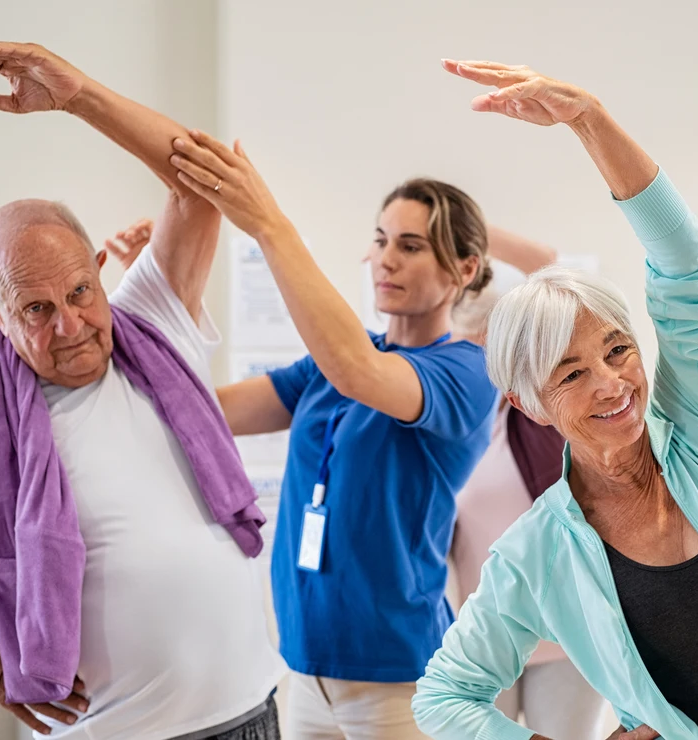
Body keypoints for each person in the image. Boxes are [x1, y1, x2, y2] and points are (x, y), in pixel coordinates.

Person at [0, 42, 284, 740]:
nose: (70, 325)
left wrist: (80, 98)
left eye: (79, 292)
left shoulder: (155, 324)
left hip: (253, 716)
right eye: (36, 309)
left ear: (100, 271)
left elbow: (198, 180)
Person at [411, 60, 698, 740]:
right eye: (571, 374)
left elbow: (688, 269)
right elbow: (443, 697)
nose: (611, 383)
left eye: (617, 351)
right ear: (529, 404)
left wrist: (589, 119)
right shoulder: (538, 551)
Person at [164, 118, 499, 737]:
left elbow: (357, 370)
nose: (385, 259)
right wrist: (164, 302)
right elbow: (205, 412)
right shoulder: (329, 366)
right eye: (381, 239)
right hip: (305, 666)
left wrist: (270, 226)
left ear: (464, 267)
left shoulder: (467, 372)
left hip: (399, 680)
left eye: (411, 246)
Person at [447, 237, 612, 739]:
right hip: (484, 635)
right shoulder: (450, 426)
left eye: (476, 344)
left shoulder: (544, 413)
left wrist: (469, 228)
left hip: (566, 635)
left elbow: (551, 271)